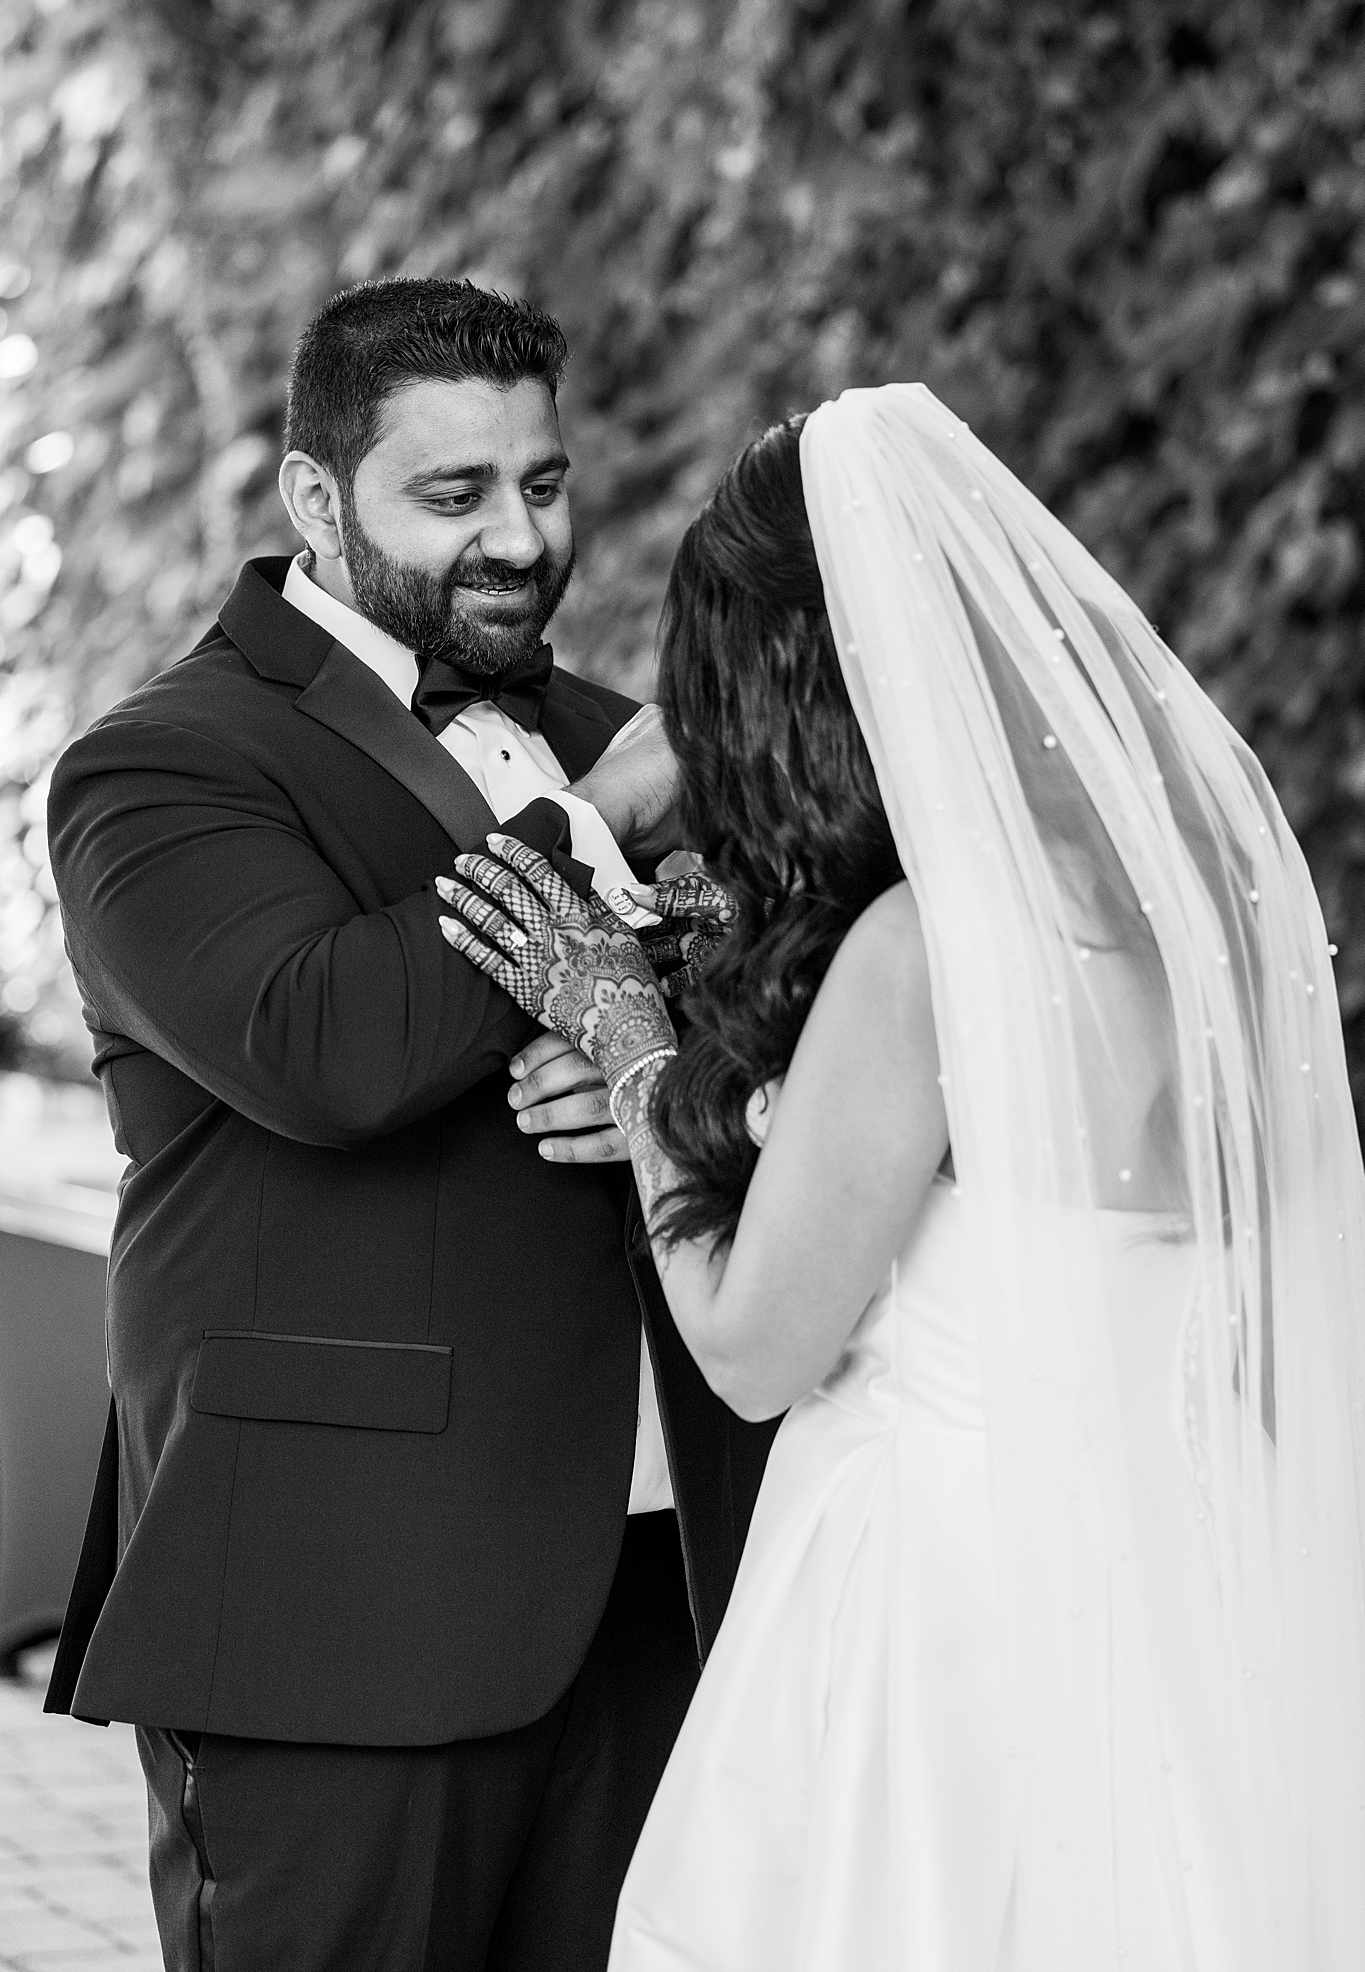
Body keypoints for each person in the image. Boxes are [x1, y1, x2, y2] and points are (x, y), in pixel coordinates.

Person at [438, 384, 1365, 1970]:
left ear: (780, 677)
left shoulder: (924, 952)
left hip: (935, 1612)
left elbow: (746, 1346)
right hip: (1174, 1600)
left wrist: (628, 1038)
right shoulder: (1190, 909)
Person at [43, 276, 777, 1972]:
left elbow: (807, 1051)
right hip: (339, 1599)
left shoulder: (617, 738)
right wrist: (592, 837)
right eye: (452, 497)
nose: (518, 538)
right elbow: (328, 1047)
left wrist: (668, 1075)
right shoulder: (159, 767)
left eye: (542, 483)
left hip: (665, 1575)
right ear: (316, 499)